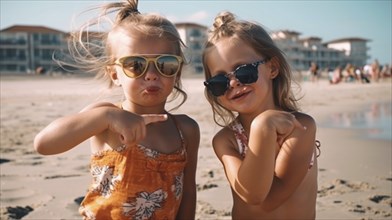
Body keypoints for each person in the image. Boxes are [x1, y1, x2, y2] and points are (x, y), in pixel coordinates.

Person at [33, 1, 200, 219]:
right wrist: (107, 116)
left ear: (176, 73)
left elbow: (188, 191)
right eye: (136, 65)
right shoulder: (105, 116)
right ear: (114, 74)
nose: (151, 74)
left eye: (165, 64)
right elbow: (44, 144)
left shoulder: (185, 129)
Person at [202, 11, 319, 219]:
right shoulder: (225, 140)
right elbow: (253, 197)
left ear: (272, 68)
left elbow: (271, 200)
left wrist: (263, 126)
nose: (233, 83)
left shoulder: (301, 127)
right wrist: (262, 129)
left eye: (243, 71)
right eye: (219, 81)